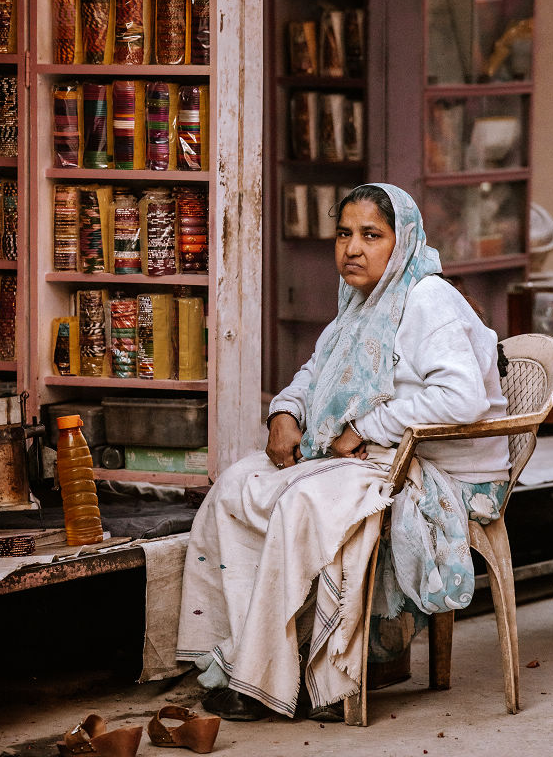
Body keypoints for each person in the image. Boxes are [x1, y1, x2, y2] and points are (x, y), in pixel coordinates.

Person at [176, 183, 510, 722]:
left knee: (306, 503)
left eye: (371, 235)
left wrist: (365, 424)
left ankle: (300, 679)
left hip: (439, 467)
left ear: (402, 244)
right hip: (378, 453)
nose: (352, 249)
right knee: (237, 484)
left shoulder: (426, 299)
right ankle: (240, 657)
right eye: (344, 234)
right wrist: (286, 412)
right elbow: (320, 372)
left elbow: (463, 397)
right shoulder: (361, 303)